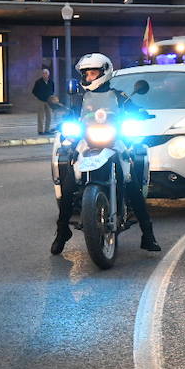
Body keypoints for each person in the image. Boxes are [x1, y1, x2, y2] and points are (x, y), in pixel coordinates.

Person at [51, 53, 160, 255]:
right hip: (87, 142)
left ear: (105, 72)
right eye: (86, 74)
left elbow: (132, 108)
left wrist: (140, 114)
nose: (89, 78)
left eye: (92, 73)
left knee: (131, 182)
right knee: (69, 184)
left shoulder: (119, 96)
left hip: (115, 141)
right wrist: (65, 124)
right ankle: (62, 231)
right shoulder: (80, 99)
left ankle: (148, 233)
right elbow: (72, 116)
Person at [31, 66, 57, 135]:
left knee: (49, 116)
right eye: (43, 73)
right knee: (41, 116)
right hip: (41, 101)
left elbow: (52, 90)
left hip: (48, 101)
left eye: (46, 73)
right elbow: (34, 91)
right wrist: (39, 96)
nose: (44, 75)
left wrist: (51, 97)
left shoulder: (51, 82)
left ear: (48, 74)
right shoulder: (38, 82)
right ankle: (40, 130)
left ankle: (47, 130)